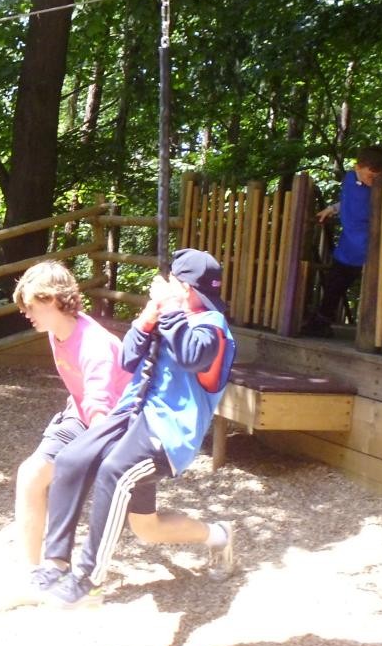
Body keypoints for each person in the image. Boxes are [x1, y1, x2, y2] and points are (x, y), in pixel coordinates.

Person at [36, 249, 238, 607]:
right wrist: (146, 320)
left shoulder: (212, 326)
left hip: (166, 432)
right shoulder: (169, 316)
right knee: (72, 461)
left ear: (183, 289)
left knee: (114, 473)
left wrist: (170, 309)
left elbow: (192, 356)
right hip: (131, 416)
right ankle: (55, 563)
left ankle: (88, 580)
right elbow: (128, 358)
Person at [11, 261, 131, 594]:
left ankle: (217, 535)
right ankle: (36, 574)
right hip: (80, 416)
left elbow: (100, 407)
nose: (26, 314)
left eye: (30, 306)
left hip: (116, 427)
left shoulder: (94, 345)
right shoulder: (57, 332)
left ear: (52, 300)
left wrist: (89, 456)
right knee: (31, 474)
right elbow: (83, 399)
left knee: (148, 526)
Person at [301, 145, 382, 337]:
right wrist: (332, 208)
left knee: (372, 290)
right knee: (334, 285)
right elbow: (348, 201)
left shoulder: (379, 189)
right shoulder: (349, 179)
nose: (373, 180)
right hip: (348, 246)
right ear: (358, 167)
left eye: (377, 176)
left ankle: (375, 330)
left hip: (367, 248)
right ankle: (321, 322)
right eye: (370, 175)